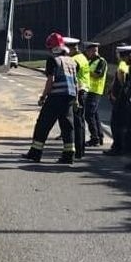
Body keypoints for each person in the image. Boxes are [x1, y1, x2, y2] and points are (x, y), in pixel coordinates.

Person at [23, 32, 79, 164]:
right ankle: (69, 155)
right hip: (69, 97)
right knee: (67, 126)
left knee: (43, 124)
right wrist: (76, 99)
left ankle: (35, 153)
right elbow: (76, 82)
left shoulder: (53, 60)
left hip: (56, 97)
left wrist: (43, 96)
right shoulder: (72, 62)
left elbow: (51, 80)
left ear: (52, 48)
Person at [103, 44, 131, 157]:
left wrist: (119, 91)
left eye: (117, 52)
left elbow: (122, 74)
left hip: (120, 99)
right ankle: (124, 146)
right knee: (124, 123)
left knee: (116, 124)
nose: (116, 55)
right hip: (123, 98)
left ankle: (118, 147)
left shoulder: (123, 63)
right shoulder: (128, 63)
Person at [64, 37, 90, 158]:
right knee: (80, 122)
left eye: (66, 48)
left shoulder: (74, 60)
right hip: (83, 90)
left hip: (78, 92)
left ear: (72, 48)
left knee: (77, 122)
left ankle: (78, 151)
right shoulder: (82, 57)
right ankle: (80, 150)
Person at [83, 42, 107, 147]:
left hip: (95, 91)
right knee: (94, 115)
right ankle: (99, 136)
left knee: (89, 115)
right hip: (90, 90)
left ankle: (95, 138)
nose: (87, 53)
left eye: (89, 51)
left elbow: (98, 75)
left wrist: (85, 70)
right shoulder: (90, 61)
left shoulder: (101, 61)